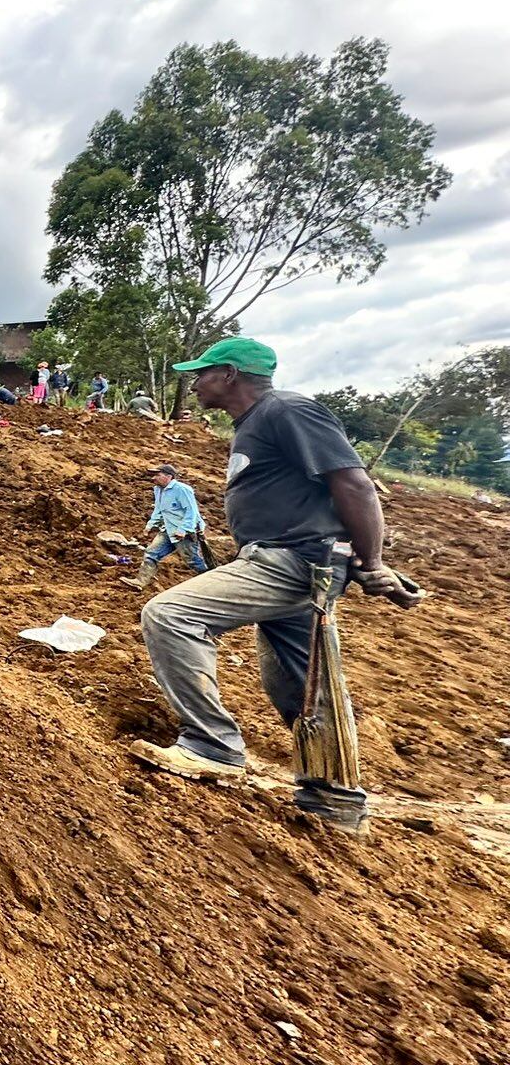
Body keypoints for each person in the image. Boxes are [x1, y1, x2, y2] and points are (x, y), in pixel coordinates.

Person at [132, 337, 407, 832]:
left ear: (230, 374)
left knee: (170, 614)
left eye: (202, 373)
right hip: (291, 559)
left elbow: (354, 484)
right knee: (301, 680)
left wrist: (373, 562)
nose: (194, 384)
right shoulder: (255, 423)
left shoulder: (287, 410)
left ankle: (211, 745)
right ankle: (336, 799)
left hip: (294, 559)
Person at [121, 463, 207, 589]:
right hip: (168, 529)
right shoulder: (158, 490)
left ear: (169, 476)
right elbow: (159, 509)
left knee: (192, 560)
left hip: (185, 532)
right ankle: (140, 582)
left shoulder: (182, 489)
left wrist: (183, 529)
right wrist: (151, 525)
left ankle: (213, 581)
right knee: (151, 553)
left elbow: (191, 512)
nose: (153, 478)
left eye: (157, 475)